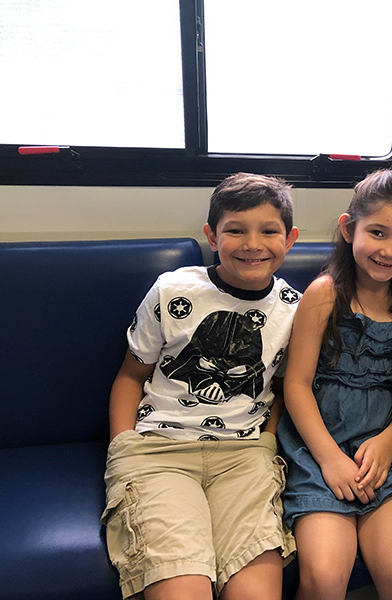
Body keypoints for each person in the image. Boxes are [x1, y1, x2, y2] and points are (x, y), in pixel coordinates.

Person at [102, 172, 300, 600]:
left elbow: (286, 387)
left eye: (269, 231)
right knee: (184, 590)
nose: (252, 243)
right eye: (235, 230)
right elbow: (131, 375)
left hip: (245, 458)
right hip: (159, 452)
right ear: (212, 235)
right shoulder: (173, 291)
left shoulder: (293, 308)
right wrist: (123, 445)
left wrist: (267, 441)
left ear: (291, 239)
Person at [278, 169, 392, 600]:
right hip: (319, 451)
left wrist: (388, 441)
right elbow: (297, 386)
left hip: (385, 453)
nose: (388, 250)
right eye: (376, 232)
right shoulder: (325, 294)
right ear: (348, 229)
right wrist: (330, 461)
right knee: (324, 578)